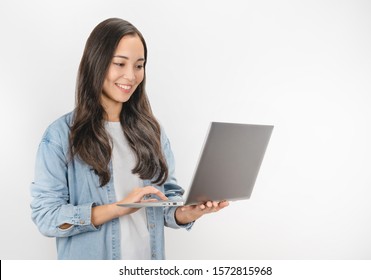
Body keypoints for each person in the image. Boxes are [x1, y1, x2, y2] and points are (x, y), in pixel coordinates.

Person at [30, 18, 229, 260]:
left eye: (139, 65)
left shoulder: (152, 131)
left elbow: (167, 202)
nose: (131, 76)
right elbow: (46, 217)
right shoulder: (61, 136)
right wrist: (119, 208)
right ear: (96, 63)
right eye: (120, 63)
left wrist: (188, 212)